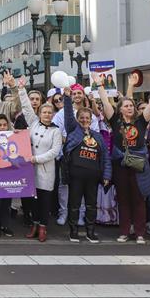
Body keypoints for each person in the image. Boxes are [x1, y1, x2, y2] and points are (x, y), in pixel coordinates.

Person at [97, 72, 150, 244]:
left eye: (131, 105)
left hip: (138, 164)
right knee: (123, 199)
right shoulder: (115, 122)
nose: (129, 107)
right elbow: (105, 102)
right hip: (120, 165)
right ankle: (125, 232)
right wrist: (100, 85)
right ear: (120, 109)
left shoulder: (141, 122)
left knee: (139, 198)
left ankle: (140, 233)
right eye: (126, 105)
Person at [13, 75, 62, 242]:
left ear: (52, 114)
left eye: (49, 112)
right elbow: (26, 107)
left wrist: (36, 159)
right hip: (30, 169)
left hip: (45, 170)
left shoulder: (55, 131)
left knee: (44, 201)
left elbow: (55, 151)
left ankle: (42, 227)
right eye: (44, 112)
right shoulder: (33, 122)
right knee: (32, 200)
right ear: (40, 113)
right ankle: (33, 225)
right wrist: (21, 89)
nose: (47, 115)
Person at [60, 88, 111, 243]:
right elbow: (68, 115)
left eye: (87, 118)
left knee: (91, 205)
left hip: (93, 176)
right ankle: (74, 231)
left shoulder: (98, 136)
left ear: (91, 119)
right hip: (76, 176)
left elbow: (105, 157)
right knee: (74, 204)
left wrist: (107, 175)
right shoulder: (73, 130)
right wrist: (67, 98)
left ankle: (90, 231)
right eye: (81, 117)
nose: (84, 120)